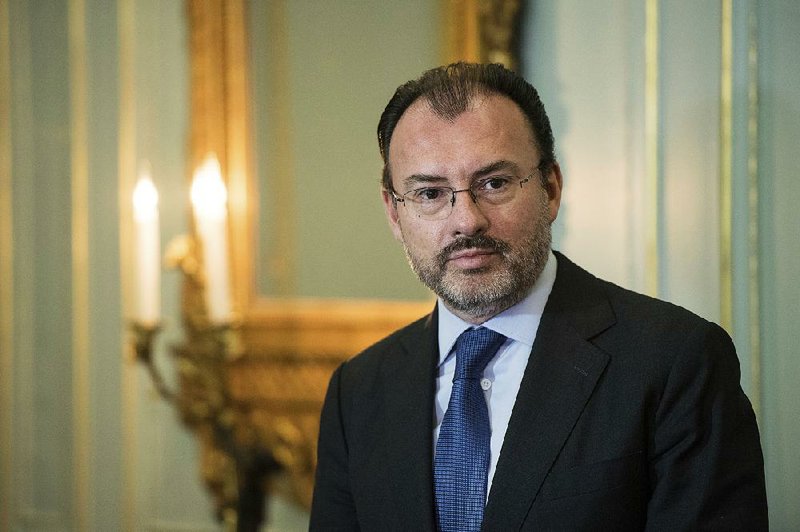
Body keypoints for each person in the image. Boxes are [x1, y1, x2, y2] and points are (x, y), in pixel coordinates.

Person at [309, 62, 768, 531]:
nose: (466, 220)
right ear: (394, 211)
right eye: (429, 192)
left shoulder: (675, 361)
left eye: (494, 183)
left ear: (550, 189)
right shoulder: (358, 391)